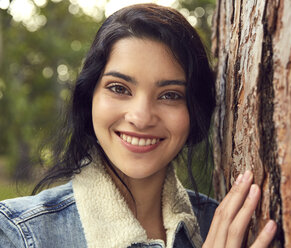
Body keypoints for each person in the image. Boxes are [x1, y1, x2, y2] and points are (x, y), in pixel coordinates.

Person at [0, 4, 276, 248]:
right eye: (119, 88)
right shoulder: (17, 235)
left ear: (194, 111)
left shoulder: (230, 226)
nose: (141, 117)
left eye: (170, 95)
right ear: (89, 98)